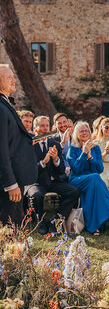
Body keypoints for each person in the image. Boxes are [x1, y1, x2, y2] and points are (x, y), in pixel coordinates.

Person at [66, 121, 109, 235]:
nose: (84, 133)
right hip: (77, 179)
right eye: (81, 131)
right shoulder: (72, 149)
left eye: (86, 130)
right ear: (77, 134)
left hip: (92, 180)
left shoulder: (96, 148)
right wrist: (83, 153)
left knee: (93, 188)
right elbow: (77, 169)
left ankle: (94, 227)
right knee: (95, 178)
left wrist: (90, 156)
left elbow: (99, 169)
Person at [27, 115, 80, 235]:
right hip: (37, 181)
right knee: (36, 195)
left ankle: (55, 219)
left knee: (74, 191)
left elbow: (61, 170)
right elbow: (29, 169)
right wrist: (43, 162)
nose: (46, 128)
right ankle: (41, 221)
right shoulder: (30, 144)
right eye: (42, 126)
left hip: (53, 181)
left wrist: (56, 160)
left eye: (47, 125)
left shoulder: (54, 143)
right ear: (35, 128)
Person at [0, 65, 37, 226]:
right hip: (9, 183)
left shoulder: (6, 105)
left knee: (14, 226)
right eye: (9, 77)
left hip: (16, 178)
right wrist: (10, 184)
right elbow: (1, 149)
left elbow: (11, 140)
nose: (14, 80)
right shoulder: (1, 108)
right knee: (8, 227)